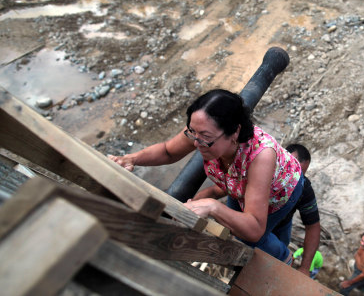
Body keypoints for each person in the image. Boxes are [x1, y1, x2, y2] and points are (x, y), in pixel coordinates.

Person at [108, 89, 303, 264]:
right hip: (239, 188)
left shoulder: (260, 157)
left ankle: (284, 258)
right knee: (237, 223)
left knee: (252, 235)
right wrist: (131, 158)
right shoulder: (201, 131)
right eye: (193, 132)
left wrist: (213, 205)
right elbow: (168, 152)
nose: (196, 143)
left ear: (234, 131)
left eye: (206, 137)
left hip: (280, 191)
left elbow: (255, 227)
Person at [272, 143, 321, 277]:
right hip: (255, 220)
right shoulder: (265, 168)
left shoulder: (303, 187)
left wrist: (305, 268)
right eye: (293, 170)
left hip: (281, 226)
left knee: (278, 256)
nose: (296, 179)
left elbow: (313, 226)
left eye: (301, 175)